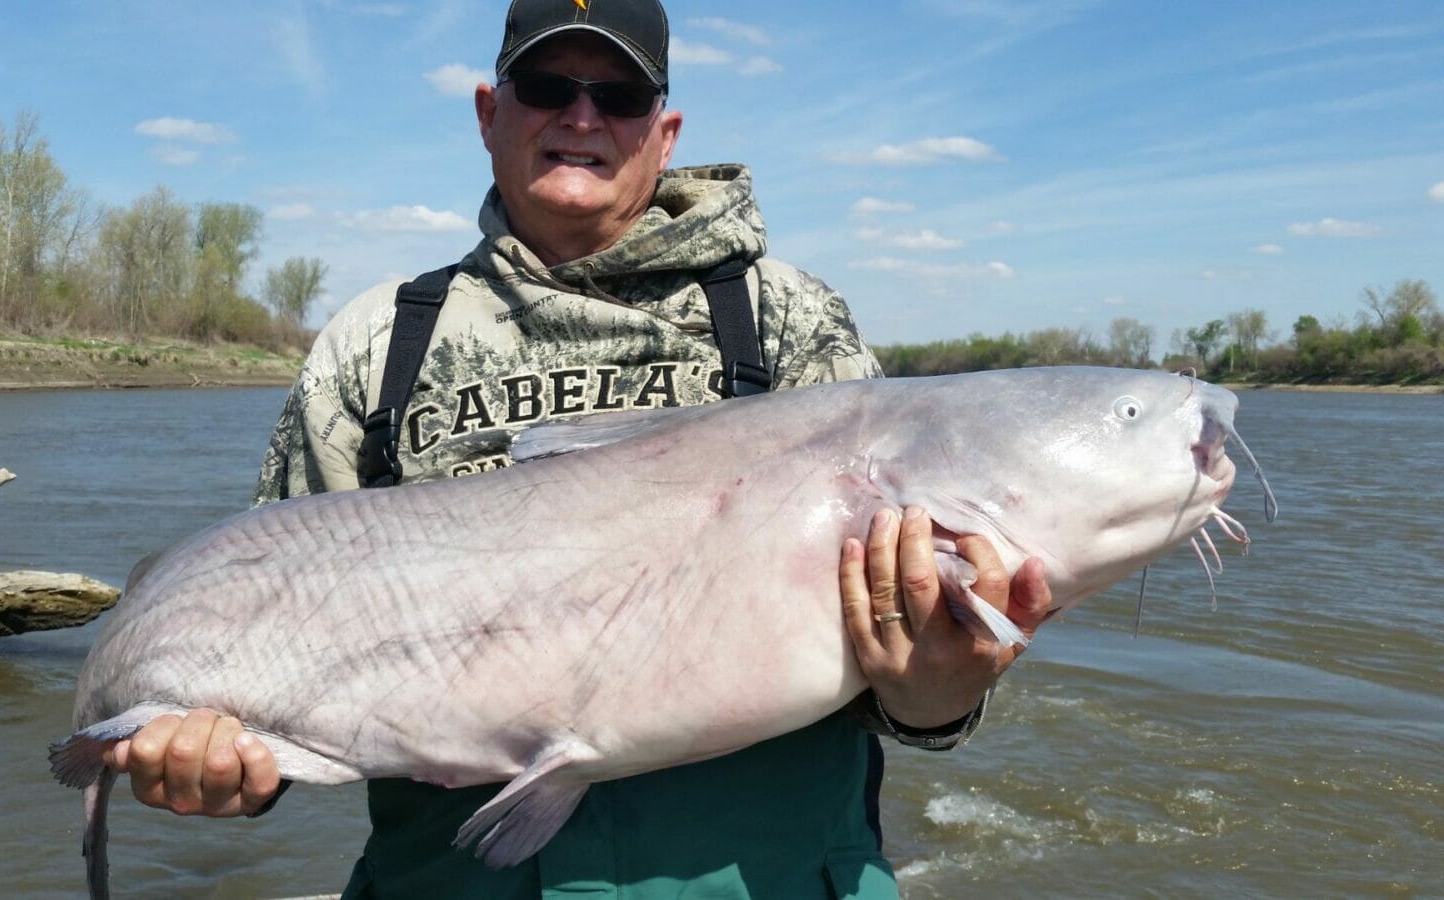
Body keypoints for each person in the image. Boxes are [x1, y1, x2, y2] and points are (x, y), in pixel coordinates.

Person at [104, 0, 1053, 896]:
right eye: (549, 86)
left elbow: (900, 664)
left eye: (620, 95)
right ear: (490, 112)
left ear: (664, 132)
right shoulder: (380, 342)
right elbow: (263, 630)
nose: (583, 117)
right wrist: (225, 764)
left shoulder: (788, 322)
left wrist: (938, 692)